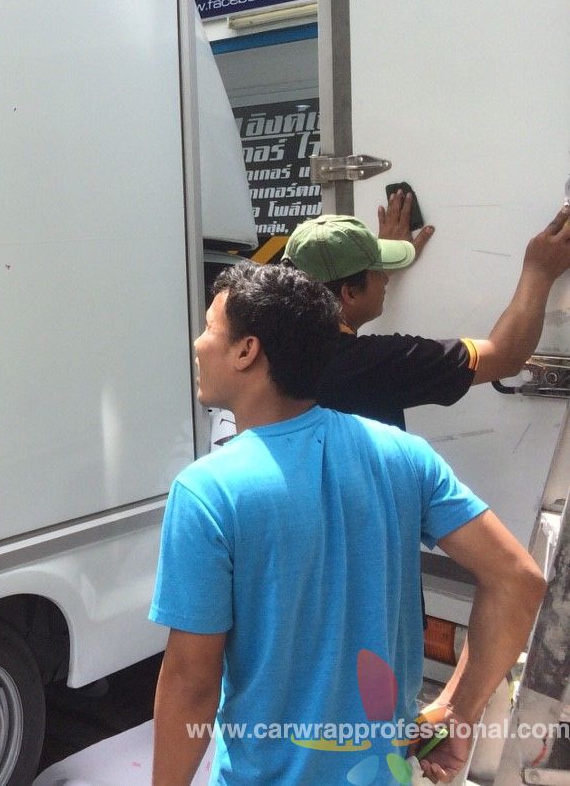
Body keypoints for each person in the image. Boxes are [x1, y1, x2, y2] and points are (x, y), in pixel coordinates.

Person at [150, 264, 545, 785]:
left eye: (208, 328)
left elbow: (191, 685)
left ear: (246, 351)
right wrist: (457, 711)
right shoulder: (404, 455)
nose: (198, 343)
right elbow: (519, 580)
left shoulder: (207, 492)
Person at [282, 203, 570, 429]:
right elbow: (504, 356)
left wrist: (361, 268)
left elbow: (338, 293)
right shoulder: (373, 363)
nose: (385, 279)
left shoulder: (269, 344)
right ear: (349, 293)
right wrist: (539, 272)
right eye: (378, 272)